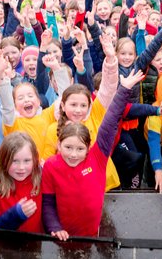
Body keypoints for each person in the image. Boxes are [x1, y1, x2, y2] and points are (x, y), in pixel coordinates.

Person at [42, 70, 145, 240]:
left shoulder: (97, 157)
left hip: (94, 234)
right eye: (68, 147)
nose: (73, 154)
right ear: (58, 145)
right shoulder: (51, 165)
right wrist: (54, 227)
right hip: (64, 237)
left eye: (80, 149)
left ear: (89, 146)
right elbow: (48, 203)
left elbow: (111, 120)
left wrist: (124, 90)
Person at [0, 132, 43, 231]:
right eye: (14, 161)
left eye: (27, 161)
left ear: (34, 159)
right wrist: (16, 215)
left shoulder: (40, 178)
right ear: (3, 160)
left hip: (36, 244)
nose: (21, 167)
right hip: (6, 245)